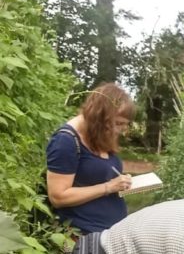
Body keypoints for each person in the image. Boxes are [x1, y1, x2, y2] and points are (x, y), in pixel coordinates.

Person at [46, 83, 135, 234]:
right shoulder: (65, 141)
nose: (121, 130)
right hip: (85, 237)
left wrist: (121, 183)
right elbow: (58, 197)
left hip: (112, 231)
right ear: (99, 117)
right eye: (118, 123)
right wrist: (109, 187)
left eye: (125, 125)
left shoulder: (98, 134)